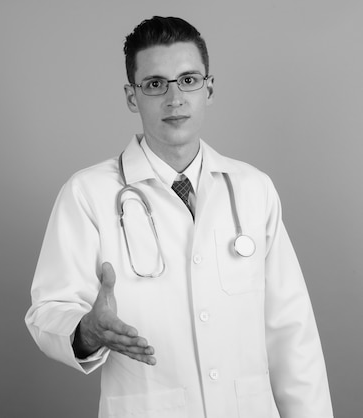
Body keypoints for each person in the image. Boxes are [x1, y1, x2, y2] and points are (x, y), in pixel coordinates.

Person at [25, 15, 333, 418]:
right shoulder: (88, 193)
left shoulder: (254, 189)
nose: (175, 99)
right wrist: (86, 331)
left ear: (209, 88)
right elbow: (47, 310)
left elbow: (292, 333)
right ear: (132, 96)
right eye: (155, 84)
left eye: (189, 80)